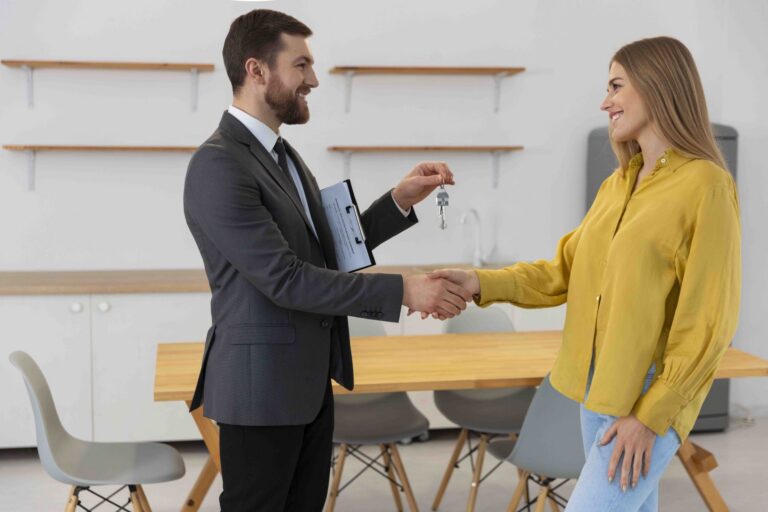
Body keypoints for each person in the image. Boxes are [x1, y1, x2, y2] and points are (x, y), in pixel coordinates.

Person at [431, 36, 740, 511]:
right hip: (593, 390)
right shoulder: (616, 185)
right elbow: (564, 272)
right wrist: (480, 283)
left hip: (647, 396)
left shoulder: (706, 186)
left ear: (657, 86)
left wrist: (651, 416)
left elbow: (708, 322)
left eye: (616, 86)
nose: (605, 102)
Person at [183, 9, 472, 511]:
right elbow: (286, 278)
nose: (313, 79)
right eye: (301, 65)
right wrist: (406, 290)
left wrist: (399, 200)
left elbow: (325, 251)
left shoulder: (281, 155)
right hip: (261, 391)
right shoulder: (219, 163)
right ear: (256, 71)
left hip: (305, 384)